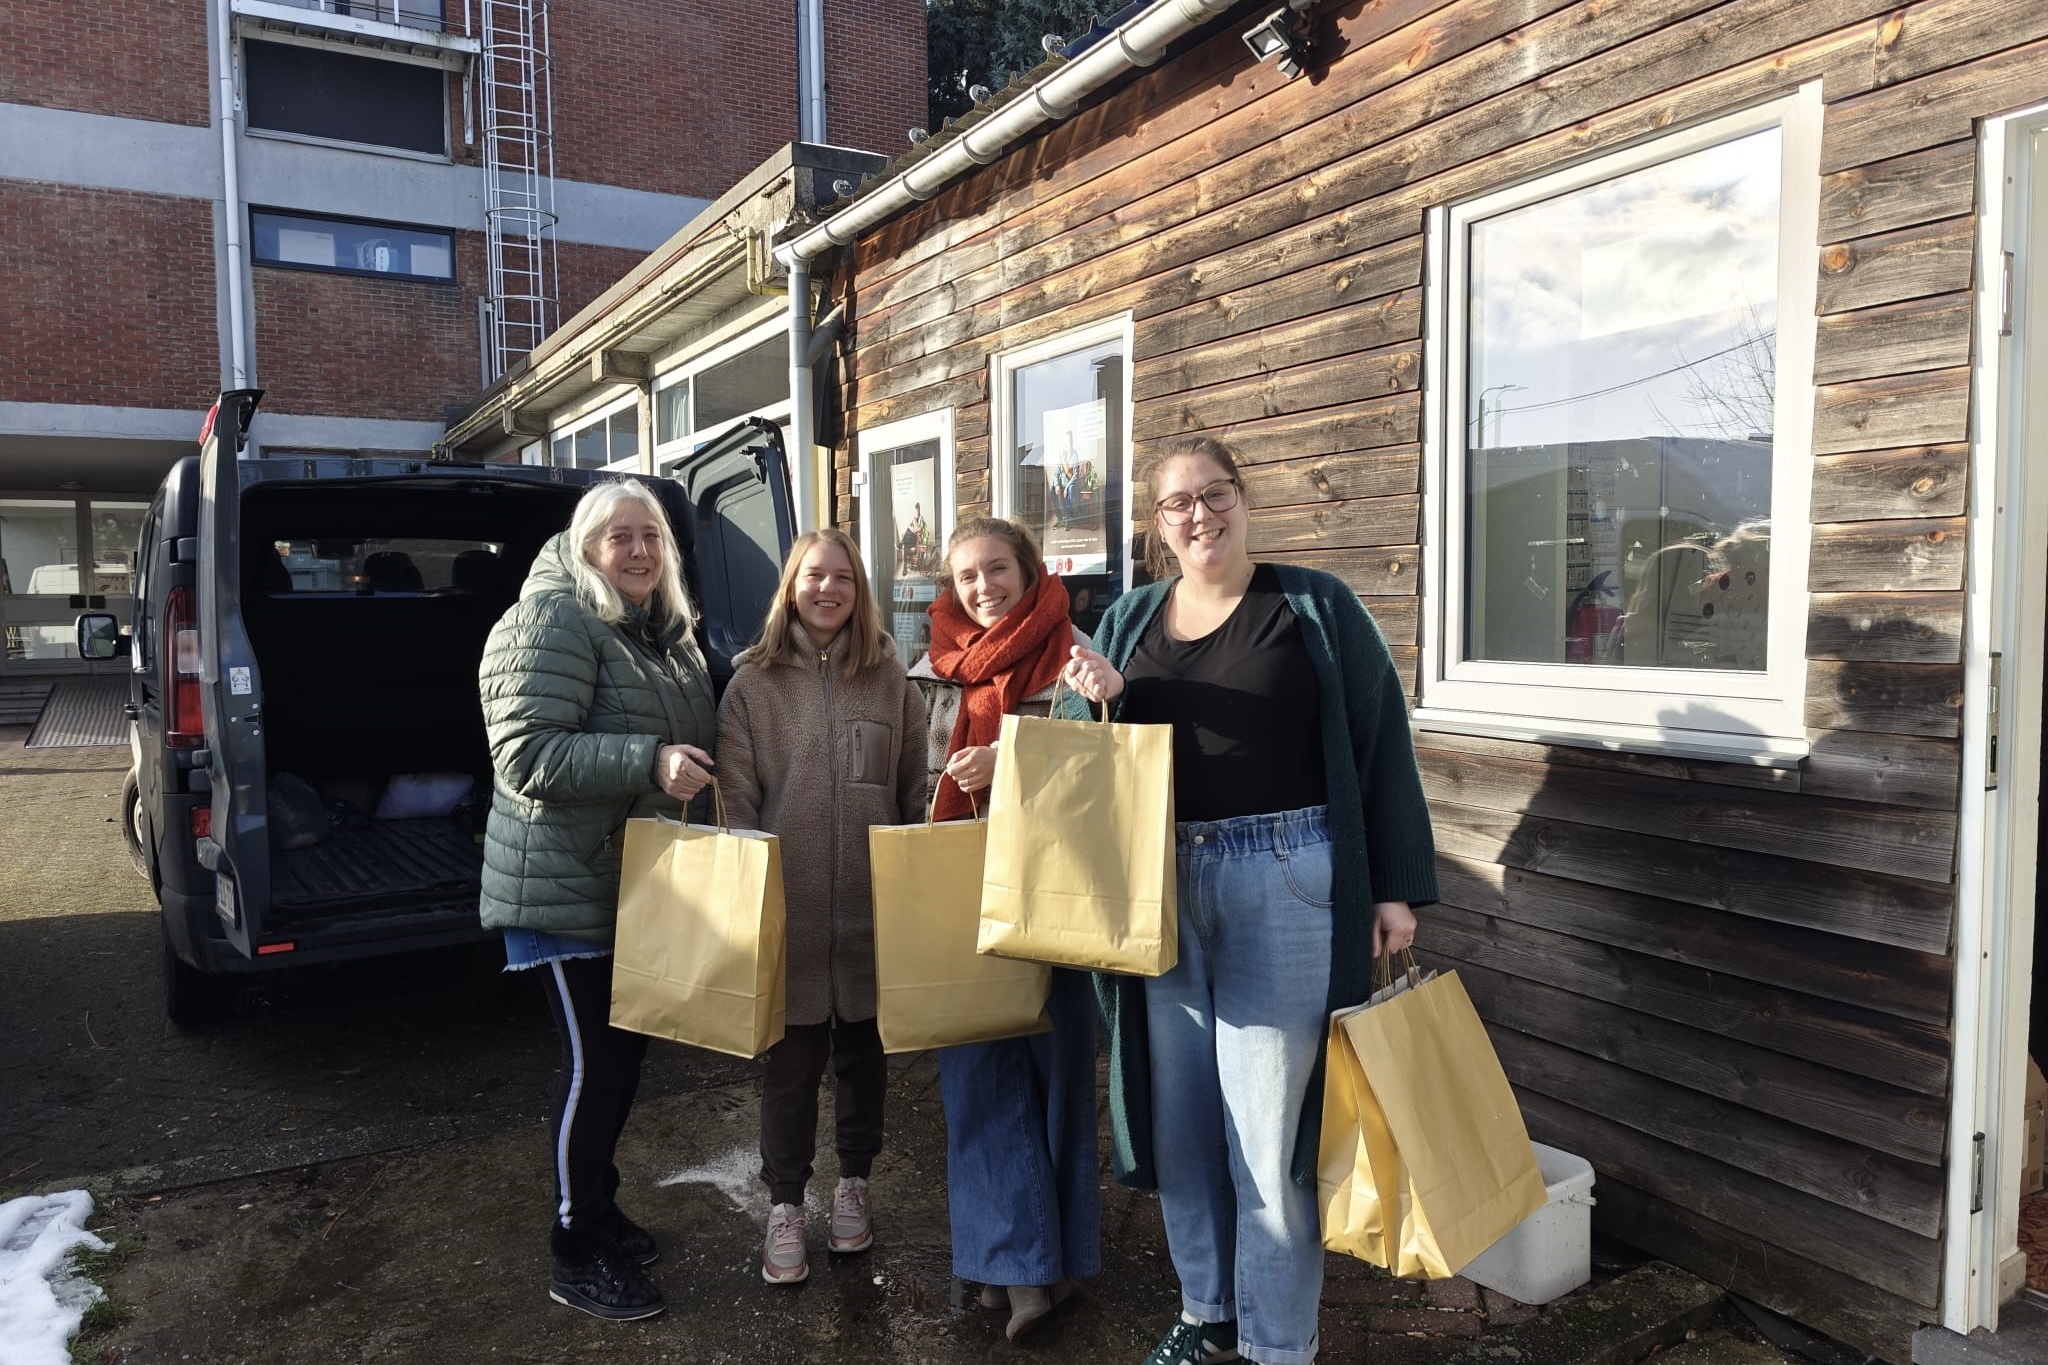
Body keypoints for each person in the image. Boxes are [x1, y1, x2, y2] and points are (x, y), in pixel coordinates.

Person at [1060, 436, 1438, 1365]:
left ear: (1243, 496)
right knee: (1184, 1125)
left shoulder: (1314, 606)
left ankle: (1277, 1344)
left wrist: (1394, 886)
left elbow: (1381, 740)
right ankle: (1206, 1312)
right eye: (1177, 504)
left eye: (1214, 493)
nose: (1200, 515)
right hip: (1163, 887)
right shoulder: (1129, 619)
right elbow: (1085, 762)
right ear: (1156, 526)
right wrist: (1100, 700)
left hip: (1291, 877)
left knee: (1268, 1134)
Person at [477, 479, 718, 1322]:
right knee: (596, 1066)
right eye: (620, 536)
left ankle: (601, 1209)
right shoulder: (552, 618)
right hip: (566, 885)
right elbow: (527, 754)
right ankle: (574, 1250)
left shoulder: (667, 634)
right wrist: (647, 760)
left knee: (624, 1064)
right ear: (586, 548)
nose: (640, 550)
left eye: (651, 535)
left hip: (635, 886)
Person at [717, 528, 927, 1285]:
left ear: (860, 589)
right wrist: (753, 902)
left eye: (842, 577)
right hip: (790, 915)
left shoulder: (891, 680)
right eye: (813, 576)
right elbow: (735, 804)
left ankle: (854, 1187)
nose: (828, 589)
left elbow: (911, 795)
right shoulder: (751, 685)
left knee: (864, 1060)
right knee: (790, 1066)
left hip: (870, 915)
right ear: (791, 587)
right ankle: (784, 1205)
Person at [908, 518, 1099, 1342]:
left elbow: (1108, 776)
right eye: (967, 575)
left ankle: (1036, 1261)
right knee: (976, 1079)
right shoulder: (929, 667)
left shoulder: (1077, 652)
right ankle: (1011, 1263)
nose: (983, 586)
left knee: (1056, 1079)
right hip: (958, 887)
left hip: (1056, 890)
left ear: (1029, 569)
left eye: (997, 569)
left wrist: (1011, 762)